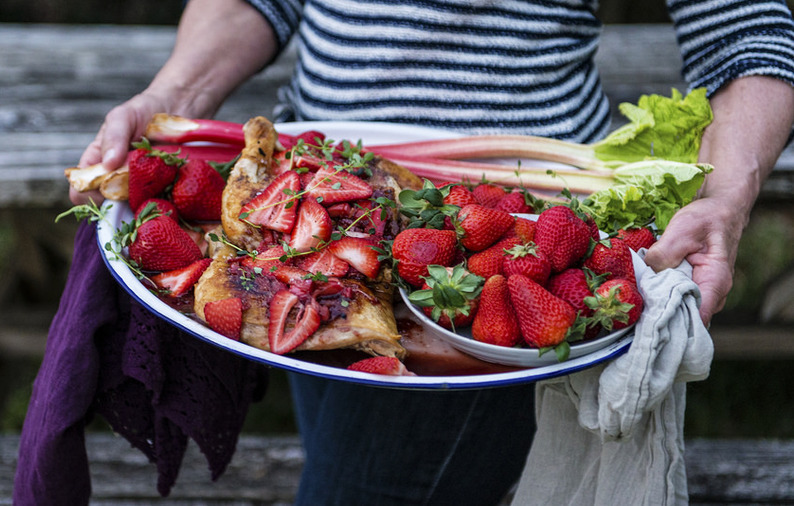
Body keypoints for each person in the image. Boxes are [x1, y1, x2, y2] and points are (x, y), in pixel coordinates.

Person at [69, 1, 794, 504]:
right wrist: (170, 107)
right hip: (303, 225)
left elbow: (749, 30)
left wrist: (724, 200)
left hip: (502, 257)